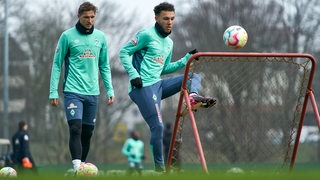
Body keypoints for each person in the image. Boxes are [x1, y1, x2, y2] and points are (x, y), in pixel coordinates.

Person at [118, 2, 216, 172]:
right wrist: (134, 75)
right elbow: (123, 53)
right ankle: (160, 170)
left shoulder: (169, 43)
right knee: (158, 126)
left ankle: (193, 97)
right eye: (165, 18)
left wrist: (186, 58)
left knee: (193, 76)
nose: (169, 22)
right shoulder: (145, 35)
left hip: (158, 84)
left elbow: (164, 69)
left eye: (172, 18)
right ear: (156, 18)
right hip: (141, 87)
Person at [49, 1, 115, 172]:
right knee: (75, 128)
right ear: (79, 16)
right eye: (86, 17)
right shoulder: (67, 36)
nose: (89, 20)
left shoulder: (100, 37)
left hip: (93, 93)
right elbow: (57, 64)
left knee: (88, 133)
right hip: (72, 91)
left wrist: (110, 90)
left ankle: (82, 168)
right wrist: (53, 91)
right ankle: (77, 166)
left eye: (92, 17)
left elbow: (104, 66)